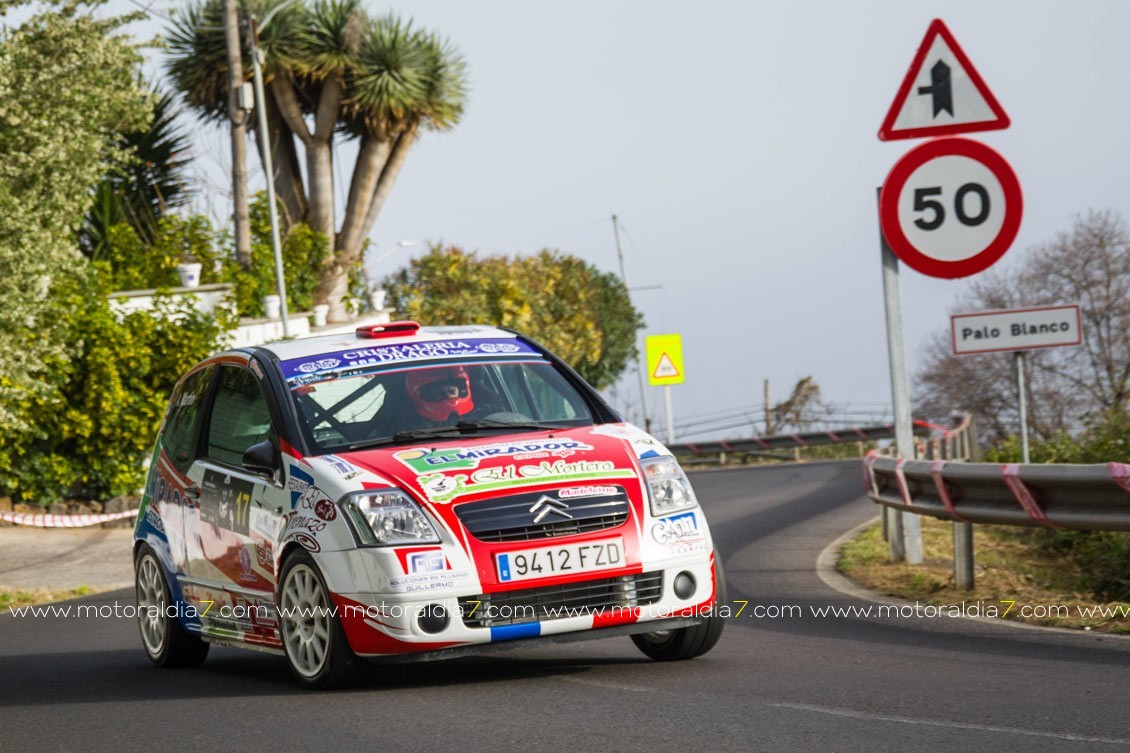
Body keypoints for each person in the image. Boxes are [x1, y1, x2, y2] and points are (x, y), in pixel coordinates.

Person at [405, 366, 475, 425]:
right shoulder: (410, 428)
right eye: (439, 393)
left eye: (452, 391)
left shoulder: (480, 417)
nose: (447, 397)